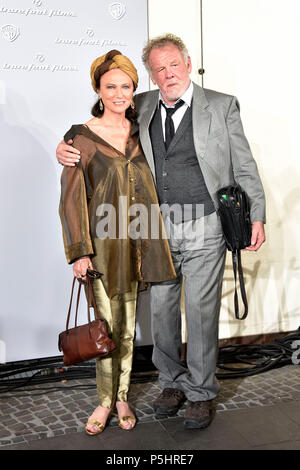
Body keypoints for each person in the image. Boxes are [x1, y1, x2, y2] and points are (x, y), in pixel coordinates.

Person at [57, 34, 266, 430]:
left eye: (173, 65)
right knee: (163, 314)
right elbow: (99, 133)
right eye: (158, 68)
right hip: (155, 229)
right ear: (151, 75)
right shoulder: (144, 105)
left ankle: (202, 392)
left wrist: (257, 214)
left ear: (188, 64)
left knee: (202, 314)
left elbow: (244, 164)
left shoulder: (221, 106)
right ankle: (171, 383)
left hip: (205, 224)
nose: (167, 73)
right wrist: (64, 146)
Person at [59, 49, 176, 436]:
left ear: (134, 89)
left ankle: (123, 395)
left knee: (127, 329)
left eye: (126, 86)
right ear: (98, 88)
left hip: (139, 247)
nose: (119, 93)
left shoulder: (143, 132)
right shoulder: (81, 138)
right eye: (111, 86)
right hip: (103, 249)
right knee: (105, 328)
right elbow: (71, 199)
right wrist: (80, 252)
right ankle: (105, 401)